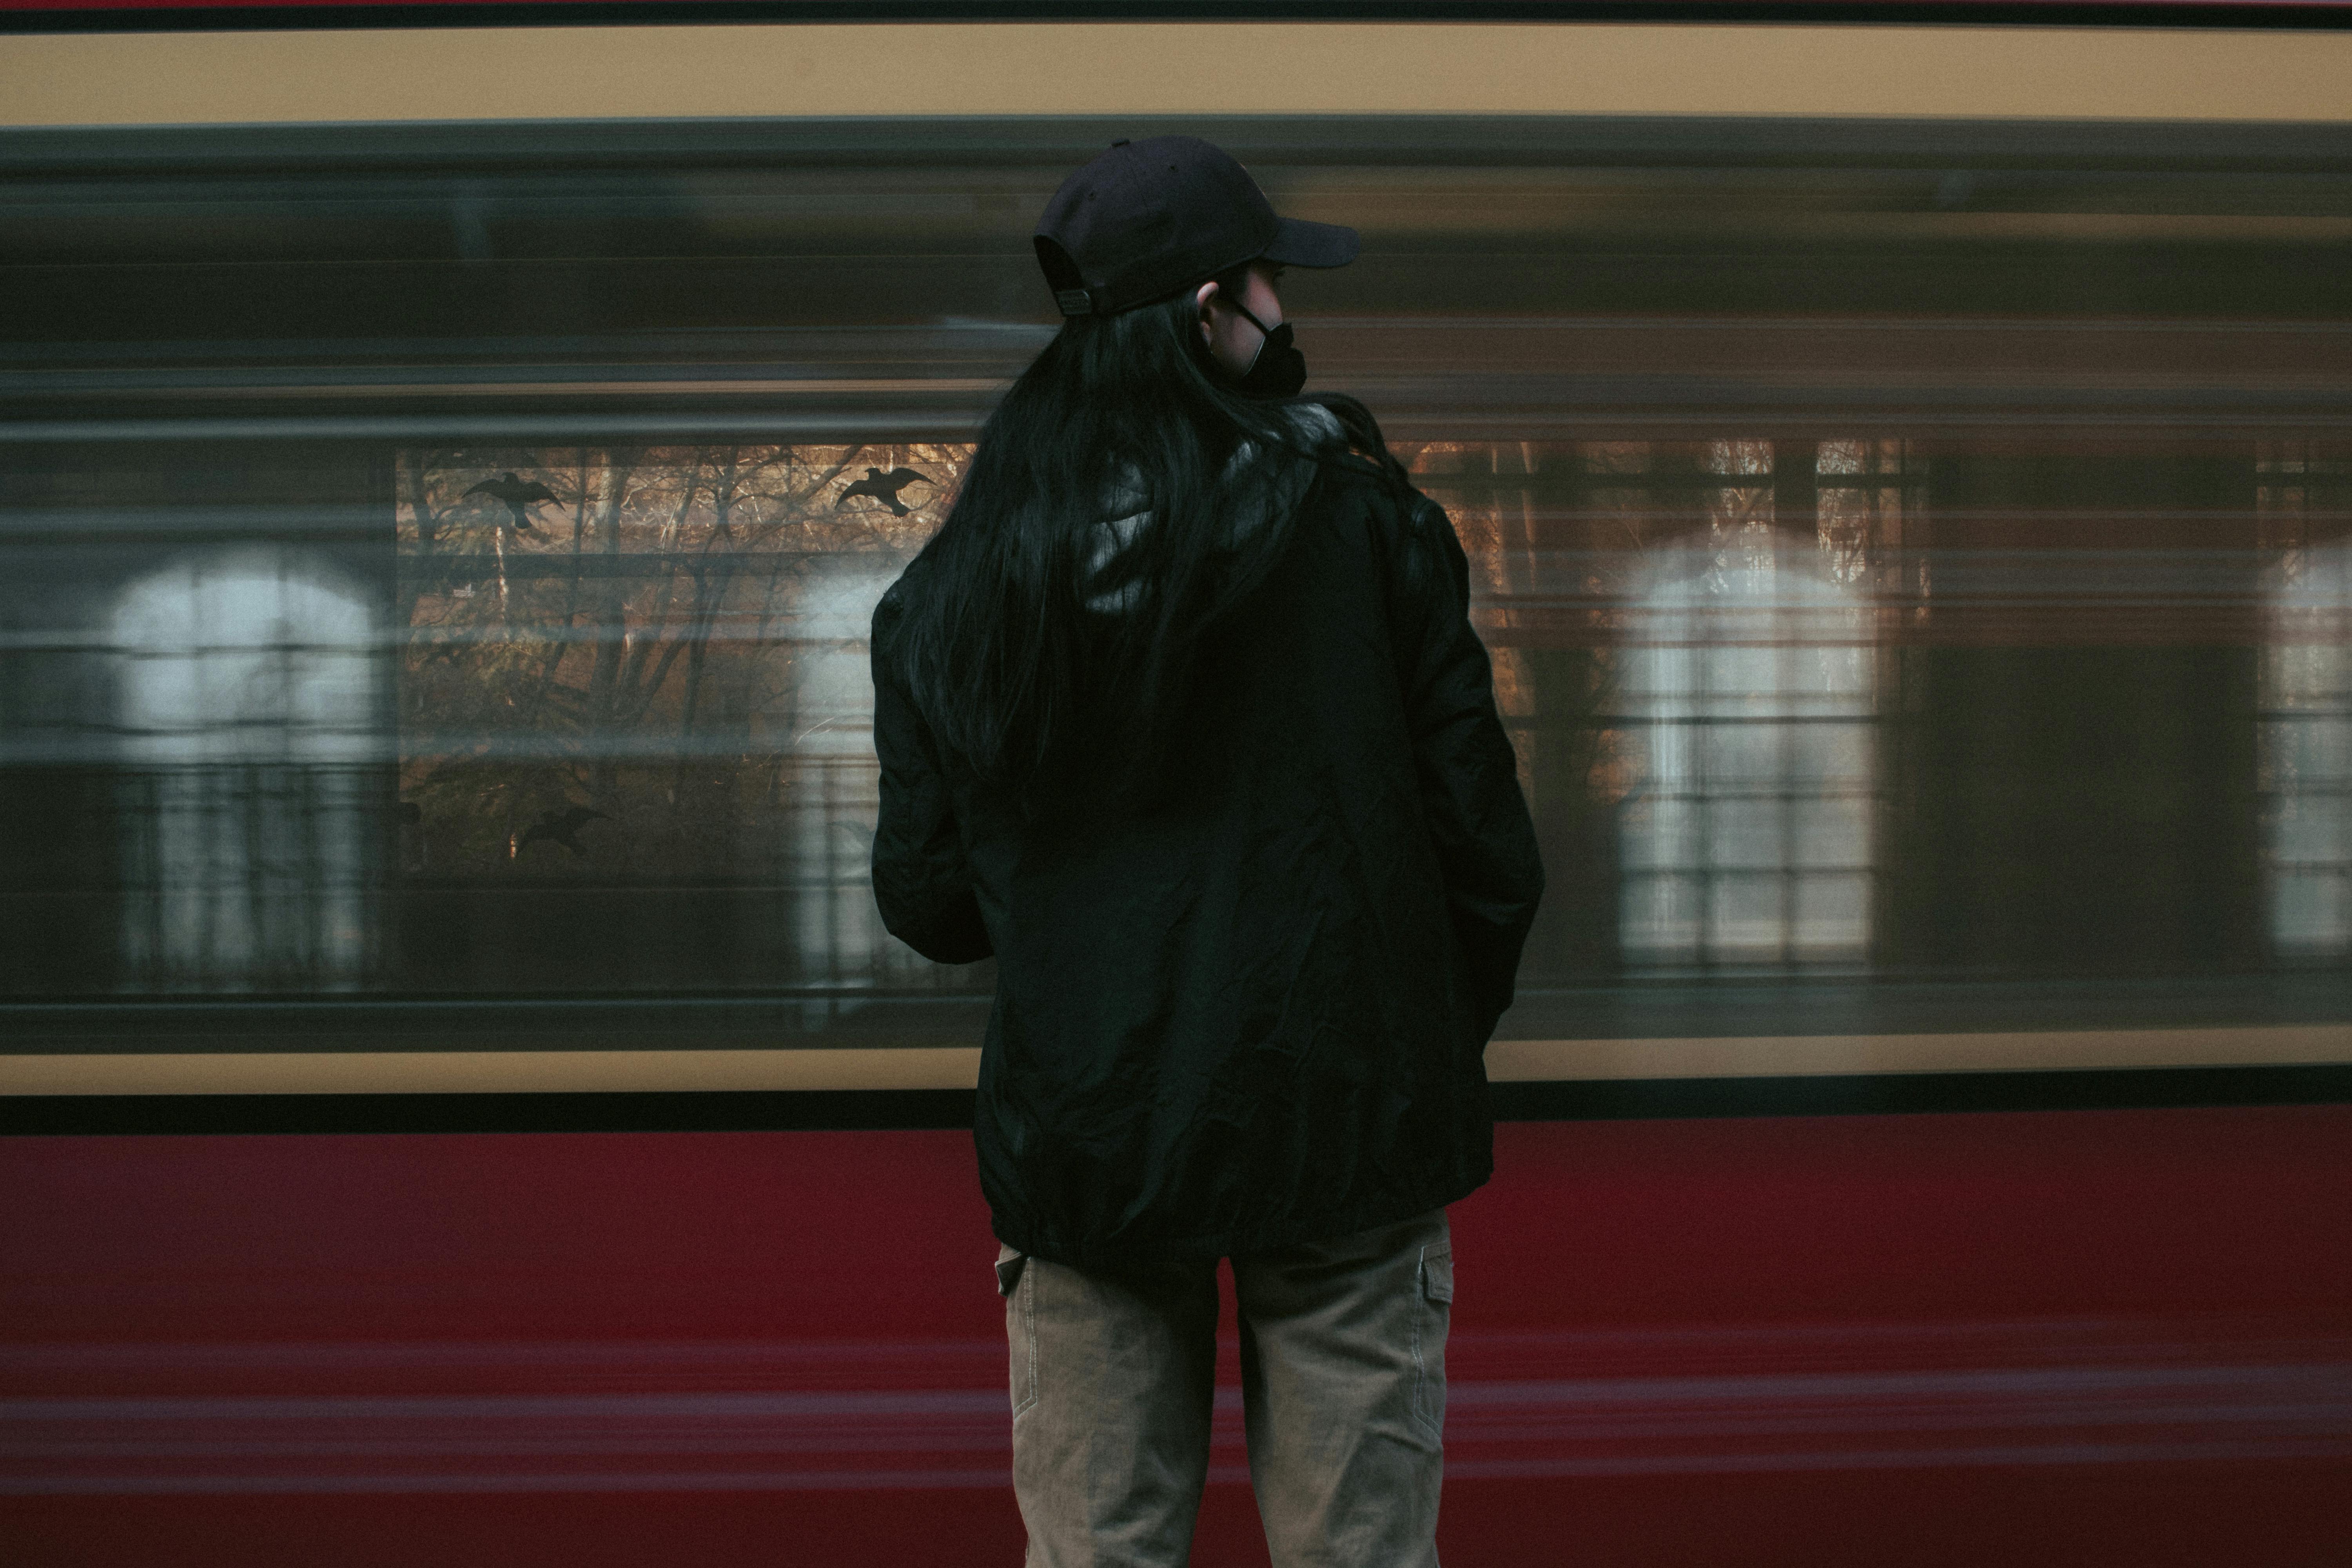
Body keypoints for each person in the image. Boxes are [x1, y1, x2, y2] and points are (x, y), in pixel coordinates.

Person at [869, 135, 1543, 1568]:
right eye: (1268, 286)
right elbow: (1489, 850)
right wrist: (1406, 1034)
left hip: (1093, 1144)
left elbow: (927, 902)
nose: (1288, 318)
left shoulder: (962, 586)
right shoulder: (1370, 530)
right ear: (1204, 315)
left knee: (1099, 1557)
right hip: (1350, 1123)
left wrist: (1089, 935)